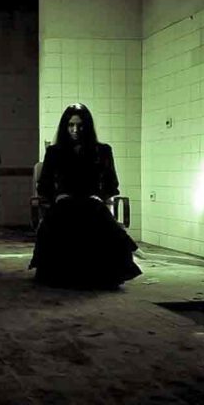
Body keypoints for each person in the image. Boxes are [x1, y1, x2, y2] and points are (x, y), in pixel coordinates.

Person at [29, 103, 142, 289]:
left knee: (95, 211)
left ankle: (103, 274)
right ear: (65, 127)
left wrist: (100, 196)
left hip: (91, 201)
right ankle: (129, 245)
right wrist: (57, 196)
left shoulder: (102, 151)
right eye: (71, 125)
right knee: (64, 216)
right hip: (65, 202)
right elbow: (44, 186)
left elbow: (112, 184)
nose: (75, 130)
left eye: (80, 125)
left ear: (87, 127)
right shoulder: (54, 152)